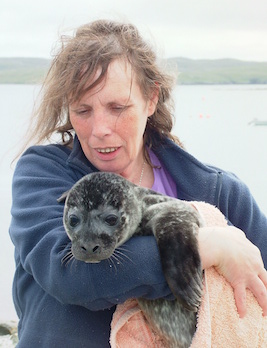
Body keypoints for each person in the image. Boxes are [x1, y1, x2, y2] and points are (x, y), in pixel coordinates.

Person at [9, 19, 267, 347]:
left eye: (117, 107)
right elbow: (70, 275)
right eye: (83, 110)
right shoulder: (44, 175)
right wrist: (206, 245)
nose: (99, 128)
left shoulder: (218, 192)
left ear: (151, 98)